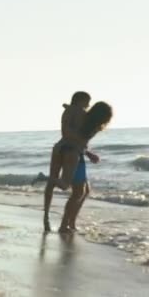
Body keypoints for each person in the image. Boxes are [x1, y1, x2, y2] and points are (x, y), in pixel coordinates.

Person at [40, 99, 112, 232]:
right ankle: (64, 225)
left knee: (85, 191)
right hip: (73, 154)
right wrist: (87, 153)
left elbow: (78, 138)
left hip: (73, 151)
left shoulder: (83, 117)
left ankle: (71, 223)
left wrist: (88, 153)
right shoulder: (94, 126)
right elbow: (80, 141)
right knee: (78, 192)